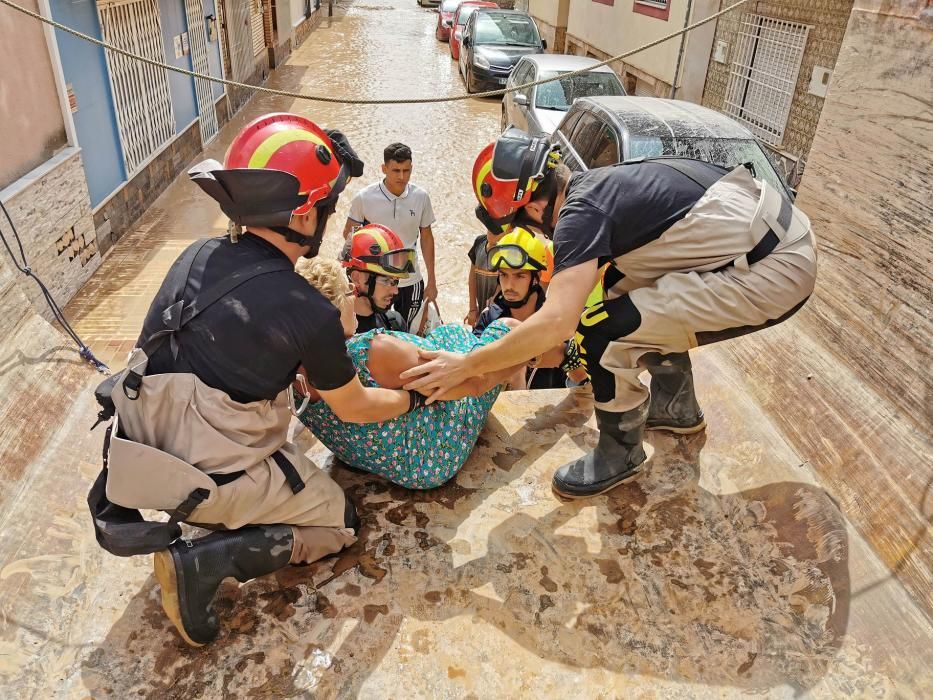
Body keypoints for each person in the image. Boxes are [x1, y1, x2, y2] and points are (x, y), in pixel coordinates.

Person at [93, 113, 437, 647]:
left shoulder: (195, 254)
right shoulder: (306, 310)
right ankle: (204, 560)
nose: (328, 215)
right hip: (209, 474)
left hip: (142, 453)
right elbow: (355, 406)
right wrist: (411, 398)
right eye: (325, 206)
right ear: (303, 216)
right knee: (339, 523)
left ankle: (213, 515)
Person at [402, 128, 817, 499]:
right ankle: (676, 408)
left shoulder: (579, 217)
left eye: (522, 223)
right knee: (621, 293)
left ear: (531, 208)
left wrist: (469, 364)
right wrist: (495, 368)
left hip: (775, 270)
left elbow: (558, 323)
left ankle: (620, 452)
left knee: (601, 331)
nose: (535, 234)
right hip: (779, 235)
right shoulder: (599, 186)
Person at [293, 257, 525, 489]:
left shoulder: (290, 372)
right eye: (347, 292)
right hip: (433, 455)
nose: (353, 298)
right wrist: (523, 357)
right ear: (331, 310)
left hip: (368, 456)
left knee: (448, 333)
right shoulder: (370, 352)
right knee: (506, 328)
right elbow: (473, 386)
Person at [473, 228, 587, 389]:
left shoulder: (560, 320)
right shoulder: (489, 318)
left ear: (536, 278)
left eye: (519, 276)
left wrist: (561, 353)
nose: (509, 285)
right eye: (504, 275)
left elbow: (582, 377)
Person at [342, 143, 437, 331]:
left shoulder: (421, 197)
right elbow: (349, 236)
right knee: (373, 329)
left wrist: (432, 280)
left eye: (406, 171)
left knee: (407, 332)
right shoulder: (364, 198)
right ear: (383, 168)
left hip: (410, 279)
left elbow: (427, 238)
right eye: (396, 170)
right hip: (376, 282)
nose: (402, 177)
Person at [341, 224, 411, 333]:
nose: (395, 291)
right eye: (386, 280)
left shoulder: (395, 324)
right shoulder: (334, 332)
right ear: (357, 278)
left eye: (395, 281)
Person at [464, 210, 506, 327]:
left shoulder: (508, 250)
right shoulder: (479, 243)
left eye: (497, 231)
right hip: (481, 306)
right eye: (490, 229)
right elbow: (472, 277)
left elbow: (504, 281)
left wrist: (491, 306)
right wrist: (472, 309)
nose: (492, 233)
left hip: (499, 310)